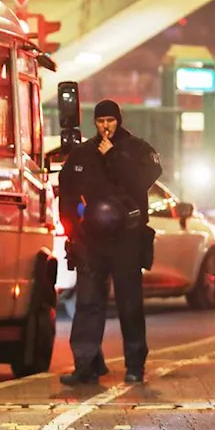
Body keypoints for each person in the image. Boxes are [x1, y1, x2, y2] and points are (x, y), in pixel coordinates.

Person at [57, 99, 162, 385]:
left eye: (111, 121)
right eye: (101, 121)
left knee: (129, 304)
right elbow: (66, 191)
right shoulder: (83, 154)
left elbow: (144, 179)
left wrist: (114, 156)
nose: (106, 126)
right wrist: (72, 232)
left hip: (126, 238)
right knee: (88, 302)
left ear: (119, 120)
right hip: (92, 239)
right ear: (95, 122)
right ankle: (85, 365)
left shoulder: (136, 149)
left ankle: (135, 366)